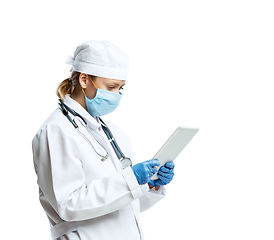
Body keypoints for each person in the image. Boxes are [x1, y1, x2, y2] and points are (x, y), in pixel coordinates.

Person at [32, 40, 175, 240]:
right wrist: (130, 180)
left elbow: (123, 207)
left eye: (121, 88)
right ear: (84, 79)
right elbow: (68, 205)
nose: (117, 95)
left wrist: (149, 185)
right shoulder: (56, 131)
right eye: (111, 87)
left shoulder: (115, 133)